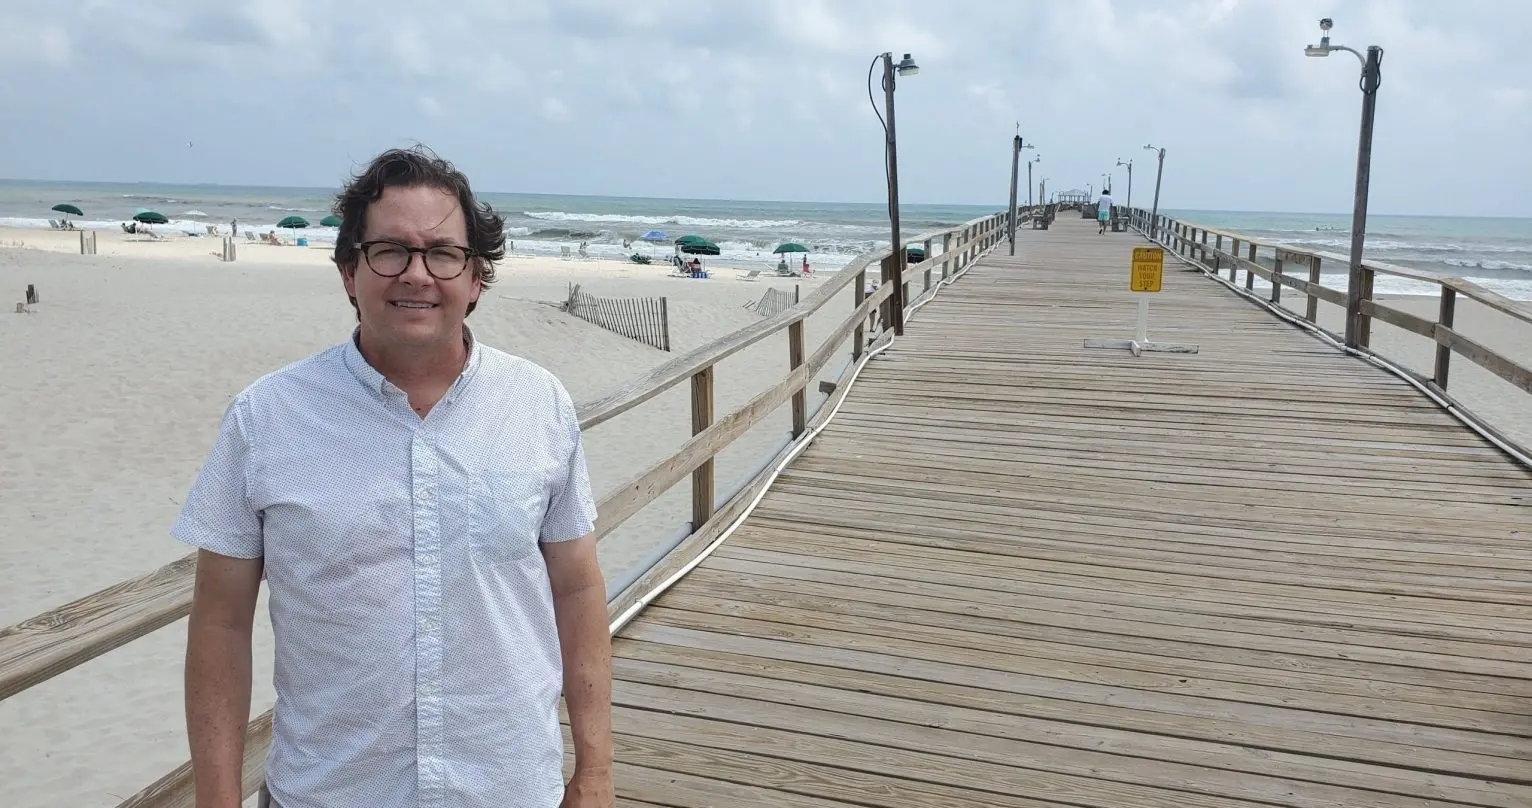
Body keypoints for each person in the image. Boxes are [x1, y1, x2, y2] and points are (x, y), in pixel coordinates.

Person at [176, 146, 613, 808]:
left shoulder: (539, 404)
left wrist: (596, 769)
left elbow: (577, 591)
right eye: (390, 251)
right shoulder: (266, 418)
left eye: (442, 252)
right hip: (329, 793)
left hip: (510, 788)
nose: (417, 273)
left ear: (476, 278)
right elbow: (219, 623)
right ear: (350, 272)